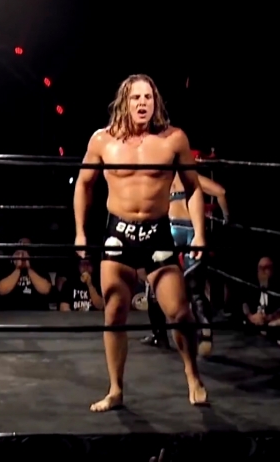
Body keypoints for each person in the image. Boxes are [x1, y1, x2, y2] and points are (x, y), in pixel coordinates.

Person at [74, 74, 208, 411]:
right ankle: (115, 389)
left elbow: (193, 186)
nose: (142, 103)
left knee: (180, 311)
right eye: (136, 97)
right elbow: (83, 184)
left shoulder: (173, 139)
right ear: (125, 101)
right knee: (114, 311)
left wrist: (200, 233)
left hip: (157, 233)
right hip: (118, 234)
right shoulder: (102, 140)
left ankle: (192, 375)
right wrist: (80, 231)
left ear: (155, 102)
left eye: (148, 97)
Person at [142, 170, 228, 355]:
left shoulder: (161, 177)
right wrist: (226, 219)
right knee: (196, 289)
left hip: (170, 229)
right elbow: (220, 192)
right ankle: (205, 333)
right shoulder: (191, 176)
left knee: (155, 283)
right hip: (192, 230)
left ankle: (159, 336)